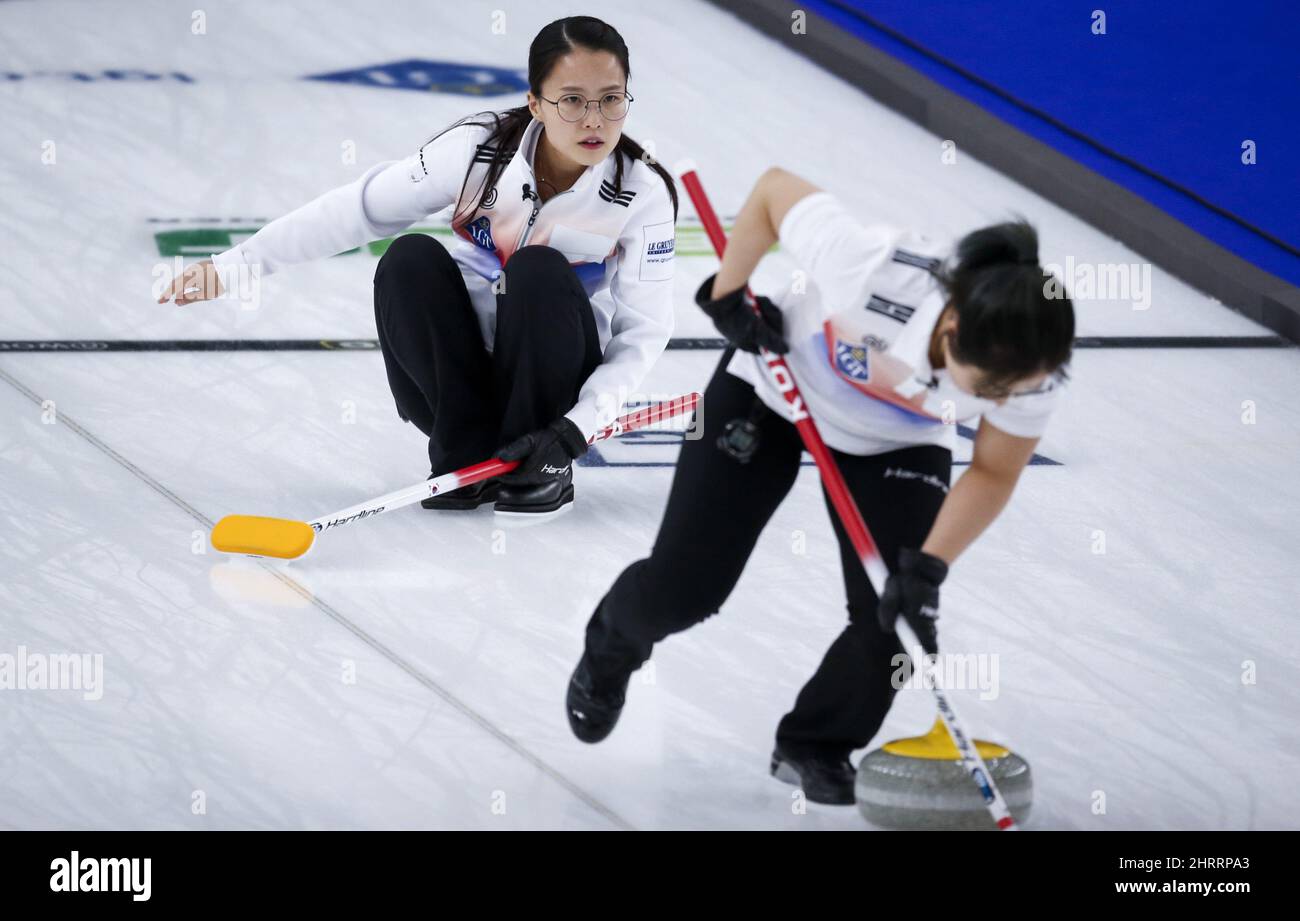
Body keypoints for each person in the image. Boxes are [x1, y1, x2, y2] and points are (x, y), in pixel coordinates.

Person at [565, 166, 1075, 804]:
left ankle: (815, 744)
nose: (1002, 398)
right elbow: (775, 189)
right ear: (950, 329)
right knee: (685, 587)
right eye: (990, 385)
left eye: (1012, 389)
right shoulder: (874, 267)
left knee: (898, 620)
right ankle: (612, 645)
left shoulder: (1035, 369)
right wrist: (730, 293)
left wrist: (930, 567)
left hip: (898, 439)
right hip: (773, 389)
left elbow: (994, 469)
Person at [157, 16, 678, 518]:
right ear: (535, 104)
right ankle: (464, 453)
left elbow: (643, 331)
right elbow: (358, 209)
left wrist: (574, 428)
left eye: (611, 100)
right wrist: (236, 265)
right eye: (572, 101)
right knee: (408, 258)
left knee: (538, 270)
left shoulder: (642, 195)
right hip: (452, 383)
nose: (594, 120)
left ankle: (537, 468)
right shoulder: (478, 151)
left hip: (554, 394)